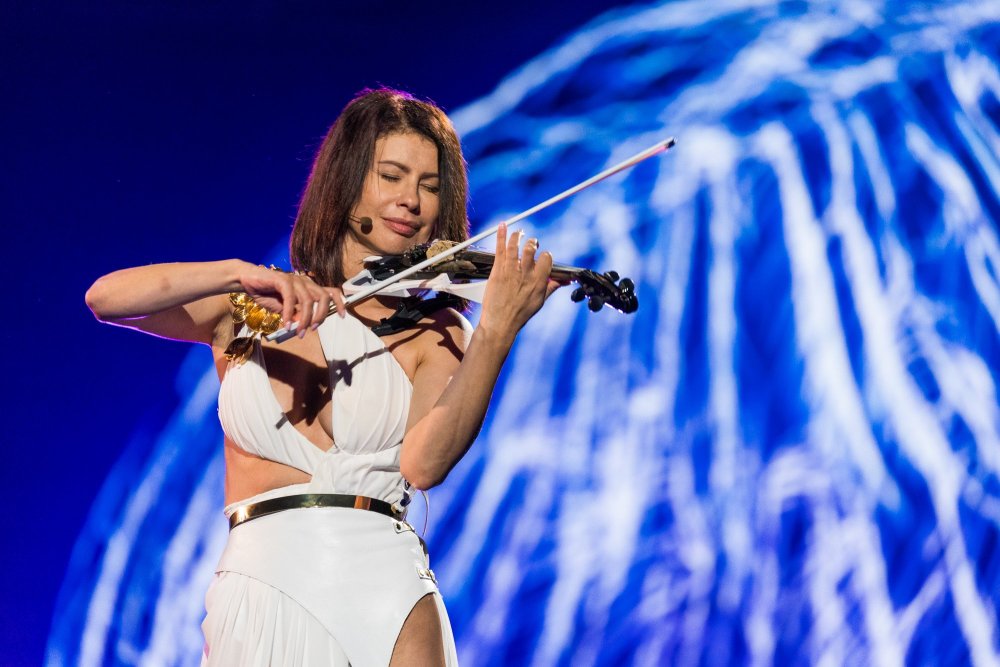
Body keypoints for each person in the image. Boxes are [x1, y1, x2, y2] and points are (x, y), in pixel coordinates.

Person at [85, 88, 560, 666]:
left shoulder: (438, 327)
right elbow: (107, 299)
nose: (411, 200)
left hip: (387, 590)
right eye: (391, 176)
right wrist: (237, 273)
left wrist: (497, 332)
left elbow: (425, 465)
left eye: (430, 186)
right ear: (348, 180)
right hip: (259, 585)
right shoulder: (251, 307)